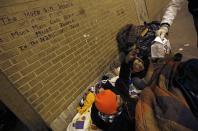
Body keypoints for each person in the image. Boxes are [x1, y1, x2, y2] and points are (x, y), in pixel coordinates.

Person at [91, 49, 138, 131]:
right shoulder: (124, 123)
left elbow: (123, 80)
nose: (118, 96)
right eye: (117, 99)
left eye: (114, 95)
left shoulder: (97, 109)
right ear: (113, 111)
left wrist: (126, 62)